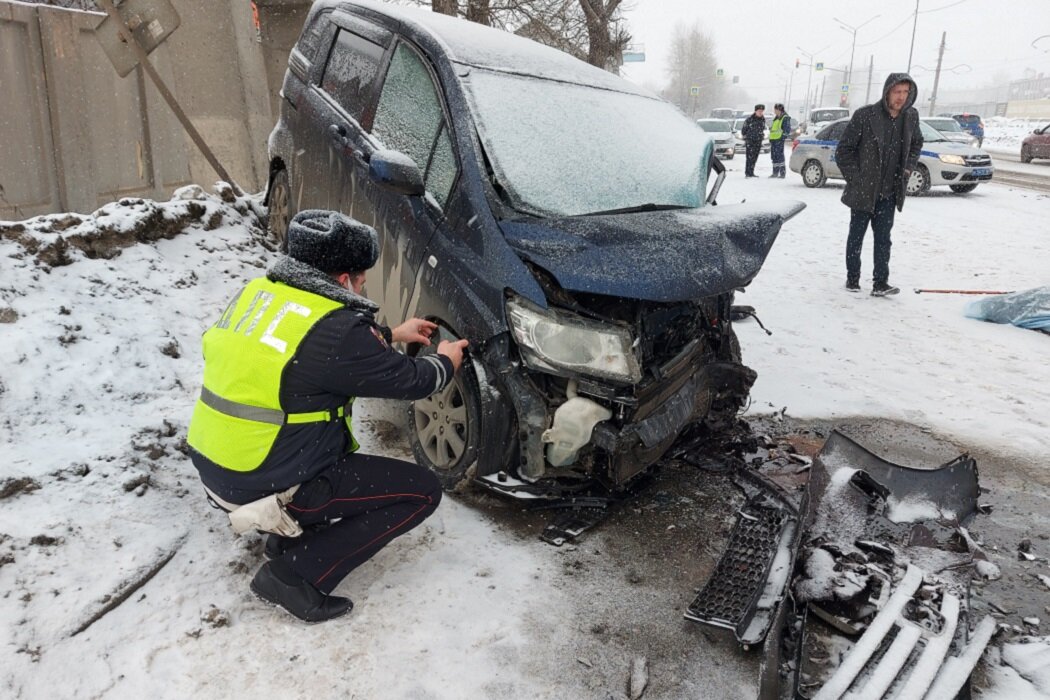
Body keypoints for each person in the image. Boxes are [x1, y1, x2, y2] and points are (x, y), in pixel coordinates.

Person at [186, 209, 469, 622]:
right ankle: (294, 574)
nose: (364, 284)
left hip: (218, 466)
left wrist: (389, 335)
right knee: (421, 491)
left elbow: (308, 350)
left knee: (317, 440)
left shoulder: (260, 294)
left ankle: (286, 537)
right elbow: (412, 381)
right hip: (262, 481)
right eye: (361, 277)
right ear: (342, 281)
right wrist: (445, 361)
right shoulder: (339, 332)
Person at [835, 73, 923, 296]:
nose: (901, 97)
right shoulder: (866, 115)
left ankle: (880, 283)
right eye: (897, 92)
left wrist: (908, 167)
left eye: (905, 92)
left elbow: (916, 143)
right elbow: (844, 151)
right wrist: (857, 179)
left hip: (889, 192)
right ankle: (852, 278)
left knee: (884, 239)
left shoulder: (910, 117)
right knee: (856, 237)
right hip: (864, 190)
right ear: (887, 92)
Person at [741, 104, 766, 177]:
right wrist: (748, 136)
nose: (760, 112)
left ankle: (751, 172)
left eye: (762, 111)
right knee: (749, 157)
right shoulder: (749, 119)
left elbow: (762, 129)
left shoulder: (763, 119)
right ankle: (748, 173)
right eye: (759, 111)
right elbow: (743, 131)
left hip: (758, 141)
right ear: (755, 111)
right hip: (750, 141)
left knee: (755, 157)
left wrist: (761, 135)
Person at [768, 103, 792, 178]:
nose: (774, 111)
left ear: (779, 110)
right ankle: (775, 172)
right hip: (774, 140)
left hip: (779, 140)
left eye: (775, 109)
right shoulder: (776, 118)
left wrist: (782, 138)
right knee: (774, 156)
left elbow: (787, 130)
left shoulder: (784, 118)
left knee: (780, 156)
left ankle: (782, 173)